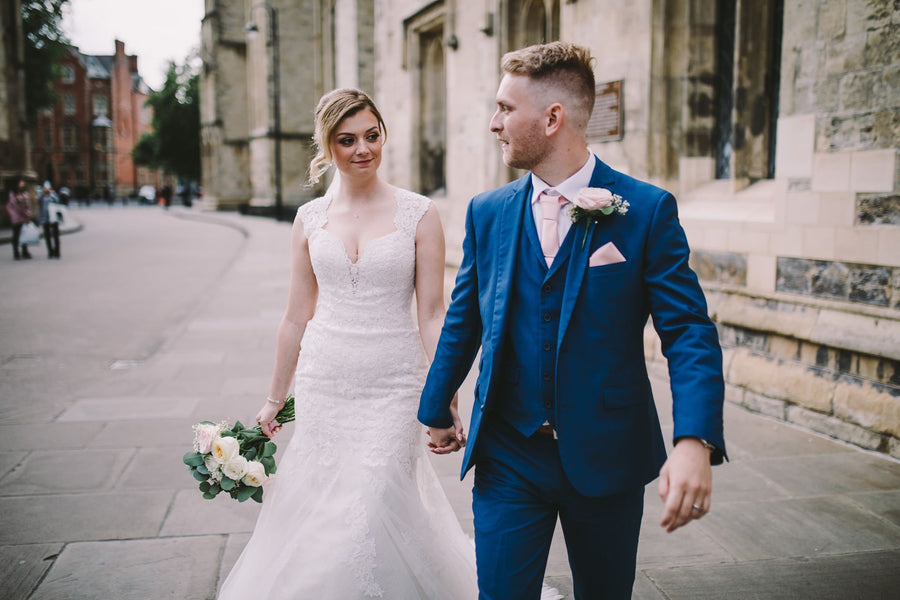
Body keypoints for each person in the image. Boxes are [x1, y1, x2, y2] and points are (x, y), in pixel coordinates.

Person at [217, 88, 562, 600]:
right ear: (327, 144)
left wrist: (443, 392)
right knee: (321, 502)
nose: (363, 150)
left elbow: (432, 314)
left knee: (374, 499)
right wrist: (274, 398)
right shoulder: (309, 219)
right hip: (325, 381)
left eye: (372, 136)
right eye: (347, 139)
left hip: (394, 383)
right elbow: (295, 317)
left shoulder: (419, 213)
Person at [418, 42, 727, 599]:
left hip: (607, 454)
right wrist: (438, 406)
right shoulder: (487, 212)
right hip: (508, 454)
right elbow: (465, 319)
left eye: (506, 108)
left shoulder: (645, 209)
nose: (494, 123)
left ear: (553, 118)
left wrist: (694, 439)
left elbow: (688, 331)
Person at [7, 179, 34, 260]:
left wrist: (28, 214)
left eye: (23, 184)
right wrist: (12, 214)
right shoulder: (13, 195)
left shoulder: (25, 194)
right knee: (16, 235)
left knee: (24, 235)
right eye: (21, 183)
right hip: (16, 218)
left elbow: (28, 205)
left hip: (24, 218)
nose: (22, 185)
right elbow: (16, 206)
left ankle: (25, 251)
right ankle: (16, 253)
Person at [37, 181, 61, 259]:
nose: (46, 189)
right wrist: (42, 194)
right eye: (45, 188)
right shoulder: (42, 196)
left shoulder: (53, 195)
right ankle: (50, 252)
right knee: (47, 236)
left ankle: (57, 252)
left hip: (54, 219)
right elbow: (38, 201)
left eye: (48, 188)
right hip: (45, 219)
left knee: (56, 236)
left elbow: (58, 201)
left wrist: (51, 194)